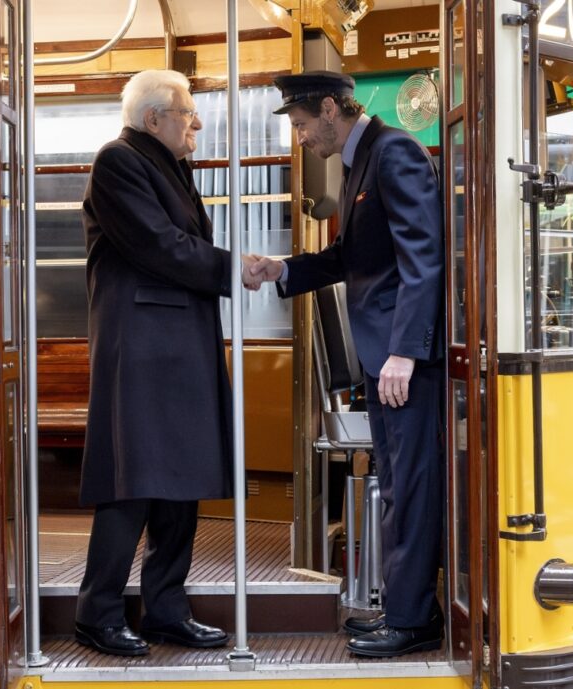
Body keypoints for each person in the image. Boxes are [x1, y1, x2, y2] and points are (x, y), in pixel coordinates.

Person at [246, 70, 445, 658]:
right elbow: (349, 258)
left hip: (400, 362)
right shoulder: (363, 161)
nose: (302, 138)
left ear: (331, 108)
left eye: (304, 125)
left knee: (409, 487)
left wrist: (405, 353)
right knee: (399, 483)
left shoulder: (394, 153)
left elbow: (424, 259)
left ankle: (411, 623)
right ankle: (409, 608)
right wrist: (283, 270)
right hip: (383, 361)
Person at [76, 69, 252, 656]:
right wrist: (235, 268)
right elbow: (158, 245)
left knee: (182, 480)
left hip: (180, 342)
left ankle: (166, 609)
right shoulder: (119, 161)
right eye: (187, 112)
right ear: (155, 119)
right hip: (144, 345)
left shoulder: (167, 164)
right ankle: (97, 611)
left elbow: (178, 246)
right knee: (132, 481)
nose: (196, 122)